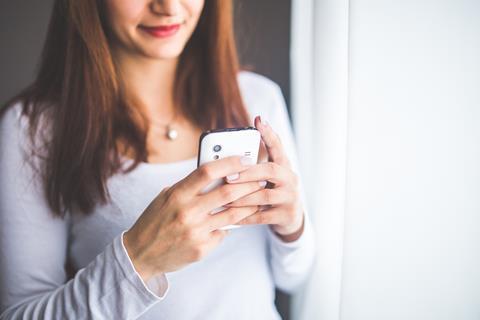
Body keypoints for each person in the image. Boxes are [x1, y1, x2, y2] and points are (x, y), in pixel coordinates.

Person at [0, 0, 315, 319]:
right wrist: (139, 260)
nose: (168, 7)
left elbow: (294, 276)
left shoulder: (258, 100)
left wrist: (291, 227)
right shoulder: (33, 129)